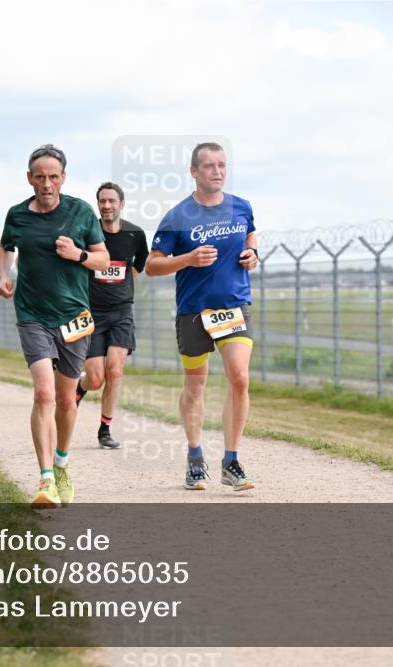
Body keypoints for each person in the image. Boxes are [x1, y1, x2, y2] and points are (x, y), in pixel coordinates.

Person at [0, 144, 110, 509]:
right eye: (40, 177)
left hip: (74, 316)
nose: (46, 183)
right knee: (44, 394)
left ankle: (61, 463)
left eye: (53, 177)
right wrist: (5, 273)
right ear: (29, 178)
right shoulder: (17, 214)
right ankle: (45, 480)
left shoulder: (81, 212)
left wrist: (77, 254)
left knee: (65, 398)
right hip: (32, 313)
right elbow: (5, 248)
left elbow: (102, 260)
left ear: (63, 178)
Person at [146, 142, 259, 492]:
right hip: (194, 312)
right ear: (194, 172)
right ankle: (195, 458)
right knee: (196, 385)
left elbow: (251, 232)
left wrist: (252, 252)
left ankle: (231, 460)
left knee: (239, 378)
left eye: (222, 164)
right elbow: (152, 265)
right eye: (209, 166)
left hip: (234, 306)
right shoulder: (178, 217)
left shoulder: (241, 206)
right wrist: (188, 260)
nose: (217, 171)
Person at [74, 182, 149, 449]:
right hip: (92, 313)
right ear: (98, 205)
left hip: (121, 312)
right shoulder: (87, 233)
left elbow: (139, 264)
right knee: (95, 378)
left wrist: (121, 288)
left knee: (115, 371)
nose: (107, 206)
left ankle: (105, 429)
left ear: (121, 204)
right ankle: (79, 389)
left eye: (111, 201)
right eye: (102, 201)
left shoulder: (135, 234)